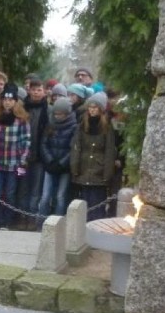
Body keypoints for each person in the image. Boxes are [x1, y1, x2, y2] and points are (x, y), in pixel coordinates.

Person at [0, 82, 31, 230]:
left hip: (13, 162)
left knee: (10, 193)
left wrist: (23, 162)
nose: (7, 102)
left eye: (11, 100)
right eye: (5, 99)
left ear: (15, 101)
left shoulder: (21, 119)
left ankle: (6, 221)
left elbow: (26, 142)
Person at [71, 92, 117, 221]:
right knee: (84, 203)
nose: (92, 110)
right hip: (84, 169)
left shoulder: (107, 127)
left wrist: (106, 175)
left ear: (101, 109)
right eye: (90, 107)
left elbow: (109, 152)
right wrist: (75, 168)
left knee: (97, 205)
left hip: (99, 170)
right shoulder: (82, 125)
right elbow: (77, 147)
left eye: (95, 107)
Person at [37, 97, 78, 226]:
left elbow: (73, 148)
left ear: (67, 113)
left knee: (61, 196)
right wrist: (50, 160)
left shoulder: (74, 127)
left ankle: (58, 224)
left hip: (64, 167)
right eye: (56, 114)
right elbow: (43, 144)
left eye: (60, 114)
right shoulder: (51, 124)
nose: (58, 116)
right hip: (50, 165)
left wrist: (61, 163)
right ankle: (41, 223)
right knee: (45, 196)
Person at [17, 76, 49, 229]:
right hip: (23, 154)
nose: (36, 93)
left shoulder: (48, 109)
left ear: (44, 92)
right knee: (23, 188)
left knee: (36, 190)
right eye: (33, 90)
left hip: (39, 156)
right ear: (28, 90)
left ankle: (31, 217)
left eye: (39, 90)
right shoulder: (22, 108)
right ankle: (22, 216)